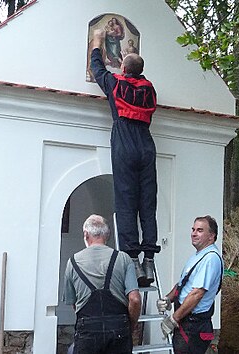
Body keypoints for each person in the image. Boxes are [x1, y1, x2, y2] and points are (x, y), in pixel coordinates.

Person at [90, 28, 160, 287]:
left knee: (126, 201)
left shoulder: (117, 84)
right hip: (146, 144)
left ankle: (132, 259)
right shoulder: (150, 89)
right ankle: (149, 261)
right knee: (147, 204)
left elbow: (97, 70)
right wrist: (130, 58)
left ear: (123, 68)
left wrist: (97, 43)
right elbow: (137, 74)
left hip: (125, 143)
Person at [63, 214, 141, 354]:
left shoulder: (73, 262)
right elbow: (135, 299)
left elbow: (73, 303)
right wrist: (131, 324)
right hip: (119, 328)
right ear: (107, 235)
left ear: (86, 234)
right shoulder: (123, 258)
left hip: (87, 330)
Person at [156, 215, 223, 354]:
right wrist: (168, 298)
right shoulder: (198, 255)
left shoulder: (210, 258)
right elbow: (183, 283)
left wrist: (174, 319)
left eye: (199, 230)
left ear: (211, 236)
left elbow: (196, 294)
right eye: (193, 229)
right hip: (188, 323)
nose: (193, 233)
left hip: (194, 326)